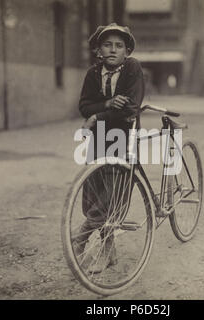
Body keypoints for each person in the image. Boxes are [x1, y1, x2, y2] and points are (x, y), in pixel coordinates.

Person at [73, 23, 145, 273]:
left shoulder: (133, 68)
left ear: (127, 51)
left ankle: (82, 237)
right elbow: (84, 106)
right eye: (107, 45)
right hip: (98, 139)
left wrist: (96, 117)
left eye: (119, 46)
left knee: (112, 196)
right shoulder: (93, 74)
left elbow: (130, 110)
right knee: (94, 190)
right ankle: (109, 249)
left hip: (123, 138)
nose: (113, 50)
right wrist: (108, 103)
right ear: (98, 50)